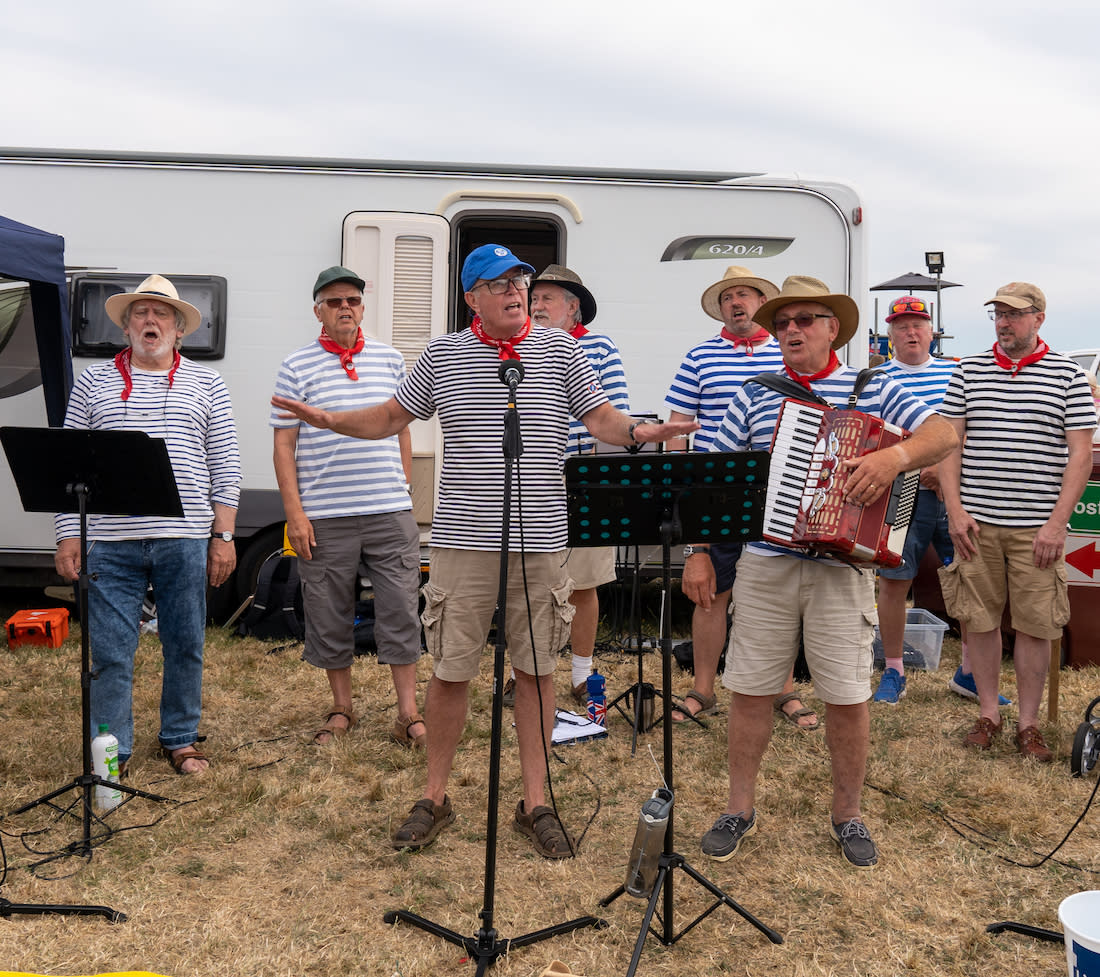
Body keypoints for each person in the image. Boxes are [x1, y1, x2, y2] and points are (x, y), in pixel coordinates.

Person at [272, 244, 696, 858]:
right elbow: (390, 417)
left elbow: (600, 418)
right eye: (498, 283)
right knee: (450, 671)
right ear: (472, 297)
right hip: (462, 542)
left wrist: (638, 432)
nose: (515, 290)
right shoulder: (442, 355)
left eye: (520, 280)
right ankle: (435, 797)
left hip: (542, 540)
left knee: (537, 671)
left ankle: (536, 801)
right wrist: (329, 420)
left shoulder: (562, 349)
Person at [700, 276, 956, 868]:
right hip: (765, 562)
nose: (792, 330)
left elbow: (942, 434)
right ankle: (739, 806)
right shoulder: (754, 392)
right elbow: (712, 473)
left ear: (832, 328)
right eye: (783, 323)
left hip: (842, 569)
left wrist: (893, 457)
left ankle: (848, 814)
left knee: (844, 695)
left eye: (806, 320)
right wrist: (697, 548)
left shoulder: (874, 385)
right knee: (750, 690)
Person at [54, 275, 241, 776]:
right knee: (110, 653)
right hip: (109, 543)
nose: (150, 321)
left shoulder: (208, 384)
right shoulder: (93, 382)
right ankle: (111, 754)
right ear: (126, 325)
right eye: (141, 313)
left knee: (185, 643)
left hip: (184, 538)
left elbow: (225, 464)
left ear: (179, 330)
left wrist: (223, 537)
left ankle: (180, 738)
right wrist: (67, 533)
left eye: (161, 315)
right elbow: (69, 466)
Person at [939, 282, 1096, 762]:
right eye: (997, 315)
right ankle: (988, 713)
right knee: (979, 622)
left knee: (1036, 626)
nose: (1003, 322)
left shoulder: (1068, 375)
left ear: (1039, 319)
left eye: (1014, 314)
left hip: (1037, 530)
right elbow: (950, 444)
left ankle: (1028, 726)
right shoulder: (968, 371)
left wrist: (1056, 524)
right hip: (976, 526)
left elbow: (1080, 455)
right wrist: (955, 511)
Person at [271, 266, 425, 748]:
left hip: (388, 511)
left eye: (353, 300)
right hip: (326, 514)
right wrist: (296, 514)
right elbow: (283, 445)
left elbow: (401, 427)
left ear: (362, 307)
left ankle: (408, 713)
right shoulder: (296, 365)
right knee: (328, 611)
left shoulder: (390, 359)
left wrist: (403, 480)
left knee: (401, 608)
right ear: (317, 309)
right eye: (334, 301)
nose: (345, 308)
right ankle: (341, 708)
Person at [666, 266, 816, 730]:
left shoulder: (788, 352)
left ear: (760, 303)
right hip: (718, 490)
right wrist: (683, 493)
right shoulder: (699, 356)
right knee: (711, 593)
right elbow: (677, 430)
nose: (737, 302)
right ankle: (704, 689)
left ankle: (784, 688)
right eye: (729, 296)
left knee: (784, 592)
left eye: (745, 294)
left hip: (779, 492)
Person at [528, 264, 629, 706]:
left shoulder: (601, 347)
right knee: (530, 582)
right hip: (534, 478)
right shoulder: (520, 348)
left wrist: (598, 474)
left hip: (586, 479)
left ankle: (582, 674)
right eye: (534, 299)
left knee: (584, 583)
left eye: (546, 299)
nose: (536, 306)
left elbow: (618, 414)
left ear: (573, 308)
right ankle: (531, 670)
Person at [871, 296, 959, 704]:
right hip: (904, 493)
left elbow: (967, 428)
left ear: (931, 332)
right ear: (890, 335)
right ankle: (893, 669)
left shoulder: (955, 372)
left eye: (917, 325)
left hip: (956, 492)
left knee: (971, 577)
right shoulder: (877, 378)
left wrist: (944, 471)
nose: (910, 332)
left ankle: (973, 671)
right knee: (894, 580)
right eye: (902, 326)